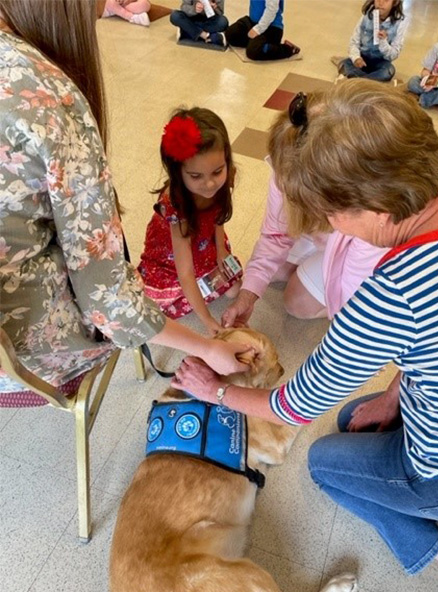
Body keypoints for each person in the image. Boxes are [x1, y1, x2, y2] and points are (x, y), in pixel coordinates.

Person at [172, 80, 438, 592]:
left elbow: (291, 407)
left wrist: (214, 392)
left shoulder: (393, 291)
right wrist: (397, 393)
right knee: (355, 418)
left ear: (366, 206)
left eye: (332, 217)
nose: (332, 230)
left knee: (327, 462)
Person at [0, 0, 250, 399]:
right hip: (25, 354)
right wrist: (208, 343)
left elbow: (217, 233)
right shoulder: (47, 98)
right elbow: (106, 295)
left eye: (218, 173)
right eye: (198, 175)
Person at [222, 161, 386, 326]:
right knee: (267, 273)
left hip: (354, 248)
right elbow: (275, 236)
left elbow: (353, 286)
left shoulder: (368, 213)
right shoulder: (285, 165)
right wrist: (247, 297)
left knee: (297, 303)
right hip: (325, 233)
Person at [138, 108, 241, 335]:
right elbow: (184, 272)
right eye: (196, 176)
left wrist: (221, 250)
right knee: (157, 306)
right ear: (178, 173)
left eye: (217, 171)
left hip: (205, 242)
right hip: (173, 257)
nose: (210, 184)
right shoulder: (175, 203)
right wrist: (208, 321)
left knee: (234, 290)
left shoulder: (226, 175)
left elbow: (218, 215)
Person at [335, 0, 407, 82]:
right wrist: (356, 58)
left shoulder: (400, 23)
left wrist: (383, 42)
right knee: (345, 63)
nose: (381, 3)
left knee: (389, 70)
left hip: (380, 62)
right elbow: (354, 42)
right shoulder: (366, 16)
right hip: (362, 58)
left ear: (395, 2)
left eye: (386, 0)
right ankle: (368, 83)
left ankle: (357, 81)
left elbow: (394, 54)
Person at [225, 0, 300, 61]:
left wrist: (258, 29)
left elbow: (272, 10)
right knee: (231, 34)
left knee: (253, 52)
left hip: (271, 27)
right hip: (253, 21)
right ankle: (255, 42)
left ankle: (288, 49)